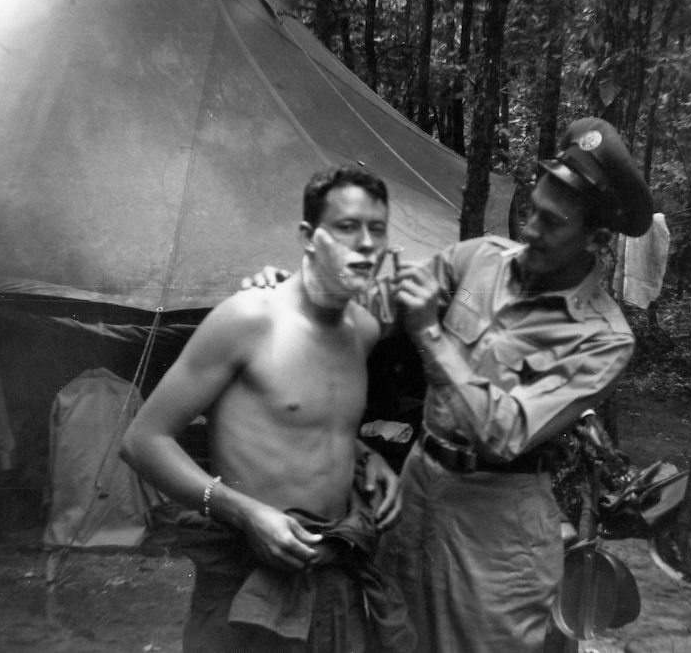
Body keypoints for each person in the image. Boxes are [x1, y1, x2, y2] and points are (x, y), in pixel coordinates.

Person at [382, 116, 654, 652]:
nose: (529, 229)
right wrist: (291, 294)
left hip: (497, 525)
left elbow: (503, 433)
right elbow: (389, 300)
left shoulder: (602, 339)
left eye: (551, 222)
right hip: (417, 489)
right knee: (395, 639)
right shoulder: (481, 257)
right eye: (532, 209)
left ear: (596, 239)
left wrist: (432, 336)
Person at [119, 165, 413, 653]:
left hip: (332, 578)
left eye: (376, 229)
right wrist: (245, 512)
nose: (365, 244)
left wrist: (366, 457)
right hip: (246, 582)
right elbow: (143, 440)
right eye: (346, 227)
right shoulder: (248, 317)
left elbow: (310, 421)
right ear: (307, 236)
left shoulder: (363, 330)